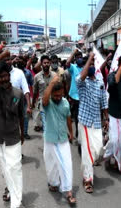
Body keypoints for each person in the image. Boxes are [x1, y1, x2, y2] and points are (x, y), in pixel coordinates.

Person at [0, 50, 25, 208]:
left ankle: (16, 201)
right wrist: (0, 57)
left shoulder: (18, 93)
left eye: (5, 76)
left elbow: (22, 116)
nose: (3, 79)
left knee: (15, 168)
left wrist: (22, 134)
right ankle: (10, 189)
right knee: (5, 169)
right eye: (0, 77)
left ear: (9, 75)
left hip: (14, 136)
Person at [77, 53, 108, 193]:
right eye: (88, 65)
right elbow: (80, 78)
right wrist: (89, 59)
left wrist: (106, 118)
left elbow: (103, 102)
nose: (90, 67)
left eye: (92, 65)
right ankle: (87, 179)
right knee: (87, 151)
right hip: (85, 121)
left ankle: (87, 168)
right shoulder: (82, 82)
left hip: (96, 121)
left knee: (98, 148)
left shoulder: (100, 83)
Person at [42, 75, 76, 204]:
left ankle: (68, 191)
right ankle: (53, 183)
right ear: (51, 94)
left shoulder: (66, 102)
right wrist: (51, 84)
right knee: (50, 164)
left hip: (62, 139)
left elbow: (68, 118)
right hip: (49, 139)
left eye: (60, 95)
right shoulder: (47, 102)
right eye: (55, 95)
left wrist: (71, 132)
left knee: (66, 164)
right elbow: (45, 100)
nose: (57, 98)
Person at [32, 55, 56, 133]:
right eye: (44, 63)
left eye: (48, 63)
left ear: (50, 64)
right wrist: (33, 104)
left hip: (53, 102)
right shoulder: (37, 76)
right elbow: (35, 92)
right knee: (45, 124)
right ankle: (47, 139)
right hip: (42, 103)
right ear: (41, 64)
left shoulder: (55, 75)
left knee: (53, 122)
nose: (46, 64)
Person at [66, 49, 84, 139]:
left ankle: (81, 131)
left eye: (81, 57)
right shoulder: (73, 67)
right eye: (77, 57)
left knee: (82, 116)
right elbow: (67, 63)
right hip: (75, 97)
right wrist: (73, 53)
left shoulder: (85, 67)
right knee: (77, 116)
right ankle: (77, 131)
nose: (79, 58)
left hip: (84, 96)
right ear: (75, 59)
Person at [16, 57, 34, 140]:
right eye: (19, 61)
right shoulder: (14, 72)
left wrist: (32, 98)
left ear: (25, 62)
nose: (21, 63)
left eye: (22, 61)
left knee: (25, 116)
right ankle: (16, 132)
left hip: (25, 98)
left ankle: (25, 133)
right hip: (15, 98)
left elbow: (31, 84)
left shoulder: (28, 73)